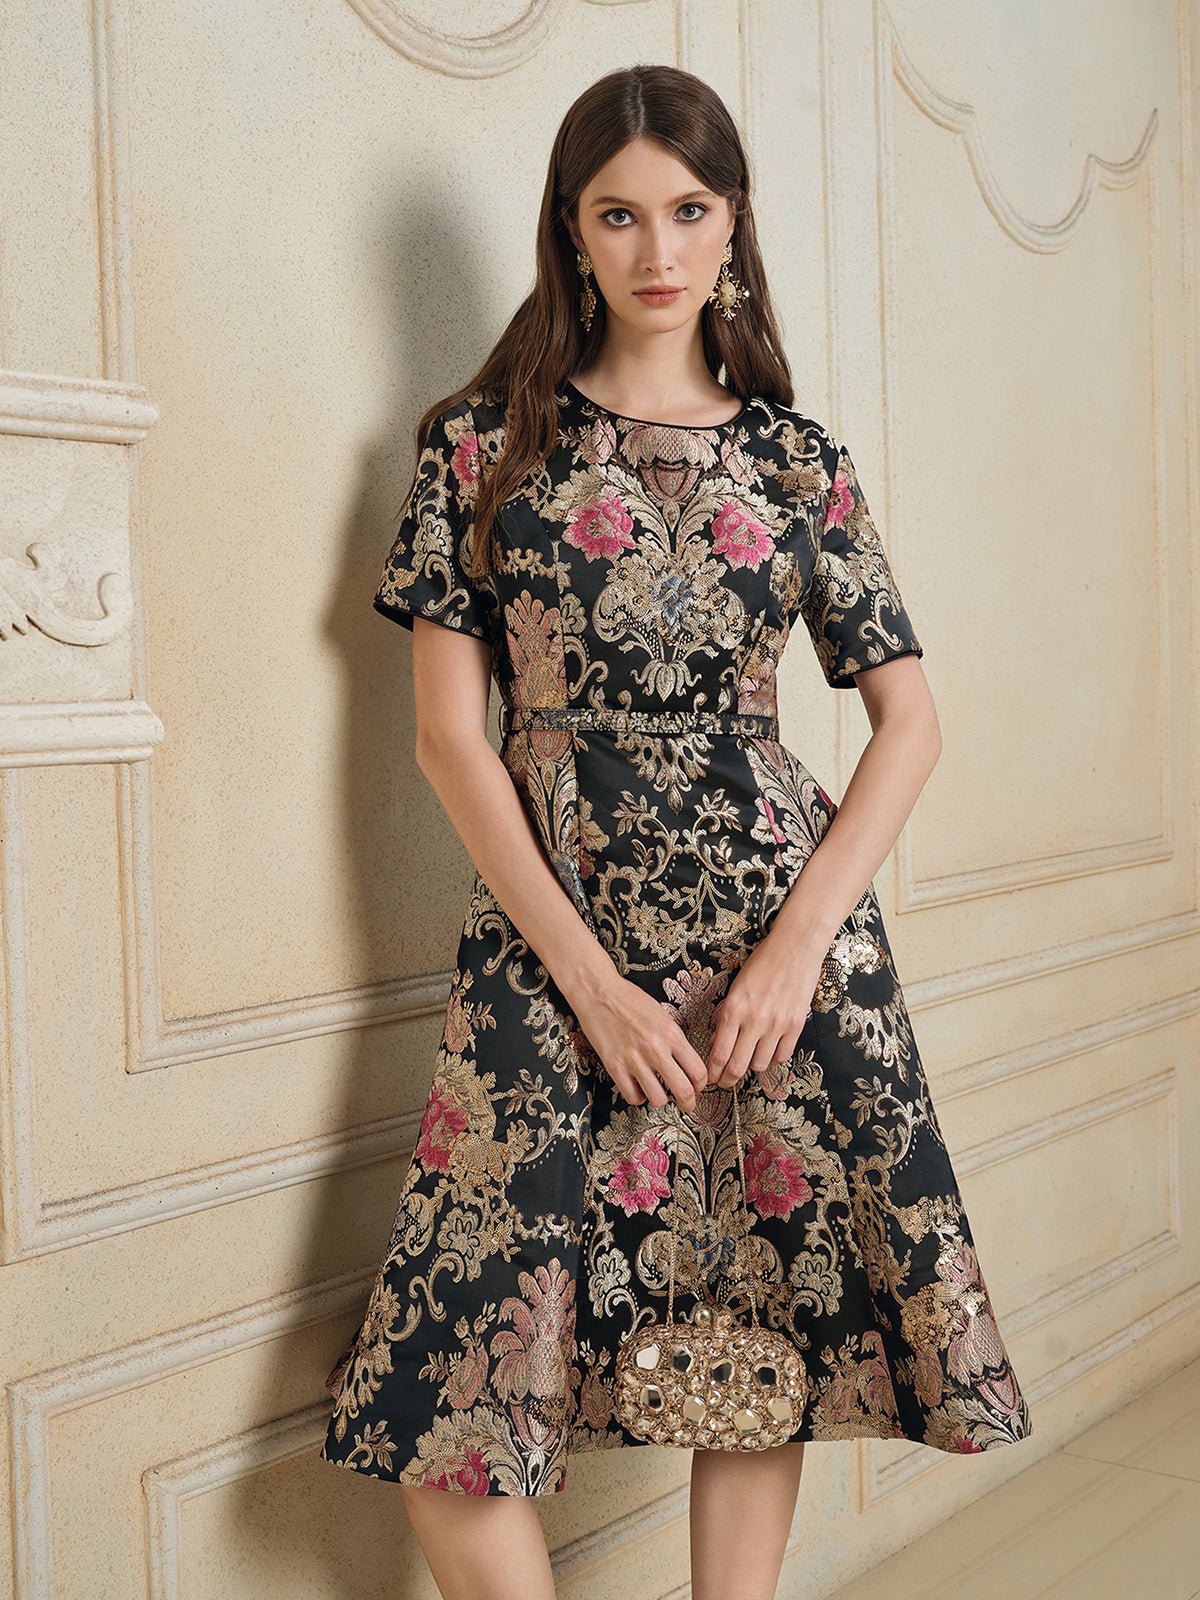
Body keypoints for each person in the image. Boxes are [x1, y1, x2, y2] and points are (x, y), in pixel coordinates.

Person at [319, 61, 1032, 1600]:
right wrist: (583, 979)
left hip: (778, 944)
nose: (658, 246)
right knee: (450, 1401)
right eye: (619, 213)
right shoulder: (476, 449)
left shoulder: (798, 462)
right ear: (572, 234)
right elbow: (454, 742)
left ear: (734, 229)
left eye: (689, 210)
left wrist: (792, 958)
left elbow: (909, 725)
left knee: (755, 1332)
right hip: (549, 941)